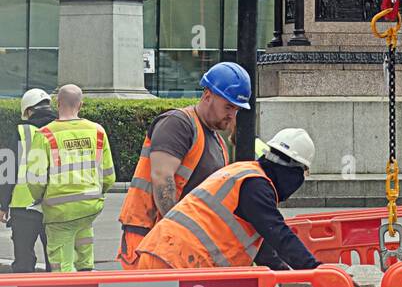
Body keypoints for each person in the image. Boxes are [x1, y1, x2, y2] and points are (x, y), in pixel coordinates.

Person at [117, 61, 247, 268]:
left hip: (174, 242)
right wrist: (179, 231)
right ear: (207, 96)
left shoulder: (217, 141)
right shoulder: (179, 123)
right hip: (151, 237)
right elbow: (162, 177)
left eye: (237, 109)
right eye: (228, 106)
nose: (232, 114)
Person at [134, 128, 320, 271]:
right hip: (177, 261)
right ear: (293, 171)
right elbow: (278, 234)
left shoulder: (243, 173)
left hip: (167, 255)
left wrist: (285, 275)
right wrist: (316, 269)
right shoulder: (256, 186)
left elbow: (265, 251)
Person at [26, 85, 115, 273]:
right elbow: (108, 175)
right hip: (90, 207)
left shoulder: (45, 134)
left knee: (62, 266)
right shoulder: (97, 131)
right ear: (80, 105)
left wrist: (41, 198)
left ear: (58, 104)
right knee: (84, 252)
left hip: (59, 211)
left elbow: (35, 179)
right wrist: (98, 193)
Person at [0, 89, 56, 272]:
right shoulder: (61, 128)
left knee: (23, 260)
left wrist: (3, 205)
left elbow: (8, 170)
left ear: (28, 110)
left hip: (24, 207)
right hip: (57, 204)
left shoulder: (21, 131)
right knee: (55, 261)